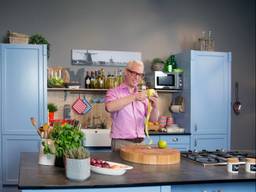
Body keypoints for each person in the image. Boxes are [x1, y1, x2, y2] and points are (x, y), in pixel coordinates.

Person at [105, 60, 159, 151]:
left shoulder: (143, 95)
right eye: (134, 73)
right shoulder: (114, 92)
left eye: (140, 75)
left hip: (141, 143)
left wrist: (155, 106)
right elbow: (109, 107)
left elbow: (153, 119)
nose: (137, 78)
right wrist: (134, 97)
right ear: (126, 72)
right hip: (121, 144)